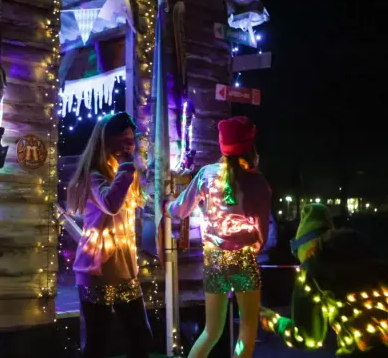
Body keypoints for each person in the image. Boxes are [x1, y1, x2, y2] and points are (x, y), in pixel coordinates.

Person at [260, 203, 388, 357]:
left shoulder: (312, 271)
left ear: (307, 248)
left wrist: (274, 322)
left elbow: (307, 338)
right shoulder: (373, 262)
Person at [166, 116, 272, 358]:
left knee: (211, 331)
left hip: (215, 259)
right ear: (250, 146)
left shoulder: (207, 174)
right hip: (244, 259)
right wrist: (253, 246)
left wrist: (166, 207)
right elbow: (263, 232)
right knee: (247, 327)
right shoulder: (257, 181)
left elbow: (180, 209)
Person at [68, 112, 153, 358]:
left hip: (125, 271)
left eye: (131, 139)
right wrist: (126, 167)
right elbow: (111, 203)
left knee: (141, 338)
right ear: (106, 141)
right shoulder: (95, 175)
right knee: (98, 344)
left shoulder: (124, 172)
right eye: (123, 139)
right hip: (97, 272)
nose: (129, 145)